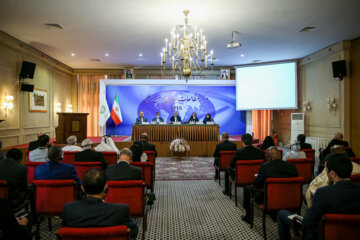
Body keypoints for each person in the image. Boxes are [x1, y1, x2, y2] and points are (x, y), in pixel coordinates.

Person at [277, 153, 360, 240]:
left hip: (320, 235)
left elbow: (308, 222)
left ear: (332, 173)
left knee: (282, 213)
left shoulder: (323, 193)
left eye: (326, 169)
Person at [62, 169, 138, 239]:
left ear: (82, 188)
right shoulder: (120, 210)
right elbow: (134, 231)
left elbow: (64, 233)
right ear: (106, 188)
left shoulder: (68, 209)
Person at [241, 147, 298, 224]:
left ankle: (248, 217)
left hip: (270, 198)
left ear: (268, 157)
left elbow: (256, 183)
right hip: (290, 199)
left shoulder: (265, 166)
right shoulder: (291, 166)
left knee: (247, 188)